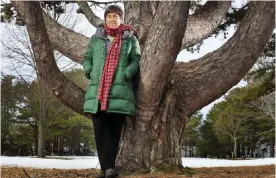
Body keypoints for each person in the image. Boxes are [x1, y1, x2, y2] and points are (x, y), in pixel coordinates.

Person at [82, 4, 141, 178]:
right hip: (98, 92)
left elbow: (136, 59)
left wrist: (126, 73)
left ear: (121, 19)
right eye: (109, 16)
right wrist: (90, 71)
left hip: (120, 91)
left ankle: (108, 168)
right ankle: (106, 168)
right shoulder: (96, 38)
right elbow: (87, 58)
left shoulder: (130, 39)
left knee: (114, 130)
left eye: (116, 16)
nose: (112, 19)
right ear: (105, 19)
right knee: (100, 130)